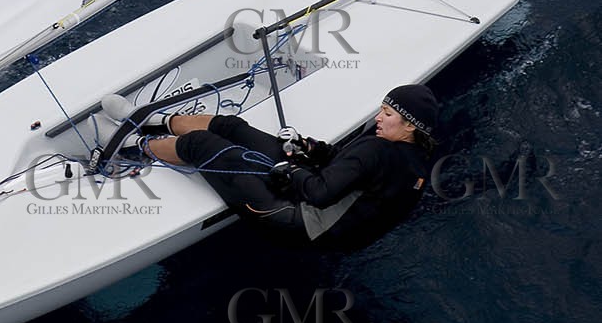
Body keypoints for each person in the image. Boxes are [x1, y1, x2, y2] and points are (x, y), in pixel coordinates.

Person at [113, 85, 438, 253]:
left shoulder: (380, 148)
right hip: (318, 207)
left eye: (387, 114)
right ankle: (152, 120)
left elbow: (319, 193)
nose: (378, 117)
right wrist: (308, 147)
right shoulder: (412, 153)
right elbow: (348, 168)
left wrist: (289, 168)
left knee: (201, 144)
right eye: (381, 109)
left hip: (299, 222)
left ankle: (130, 147)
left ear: (409, 125)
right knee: (231, 126)